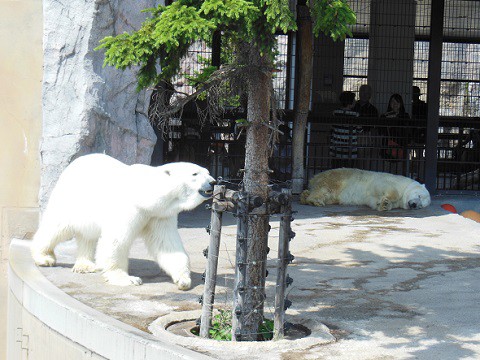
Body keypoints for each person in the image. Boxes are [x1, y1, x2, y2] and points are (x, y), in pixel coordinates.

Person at [330, 91, 361, 168]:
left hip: (336, 147)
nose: (355, 101)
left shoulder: (335, 112)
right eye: (354, 100)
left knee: (336, 170)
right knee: (348, 171)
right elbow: (359, 130)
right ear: (350, 102)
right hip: (349, 148)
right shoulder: (355, 115)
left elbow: (332, 127)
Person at [380, 93, 410, 161]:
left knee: (399, 169)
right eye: (392, 101)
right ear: (390, 103)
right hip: (387, 147)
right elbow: (381, 131)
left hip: (401, 146)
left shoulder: (405, 116)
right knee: (387, 169)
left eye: (397, 102)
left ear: (401, 103)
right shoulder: (384, 116)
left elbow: (406, 130)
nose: (395, 104)